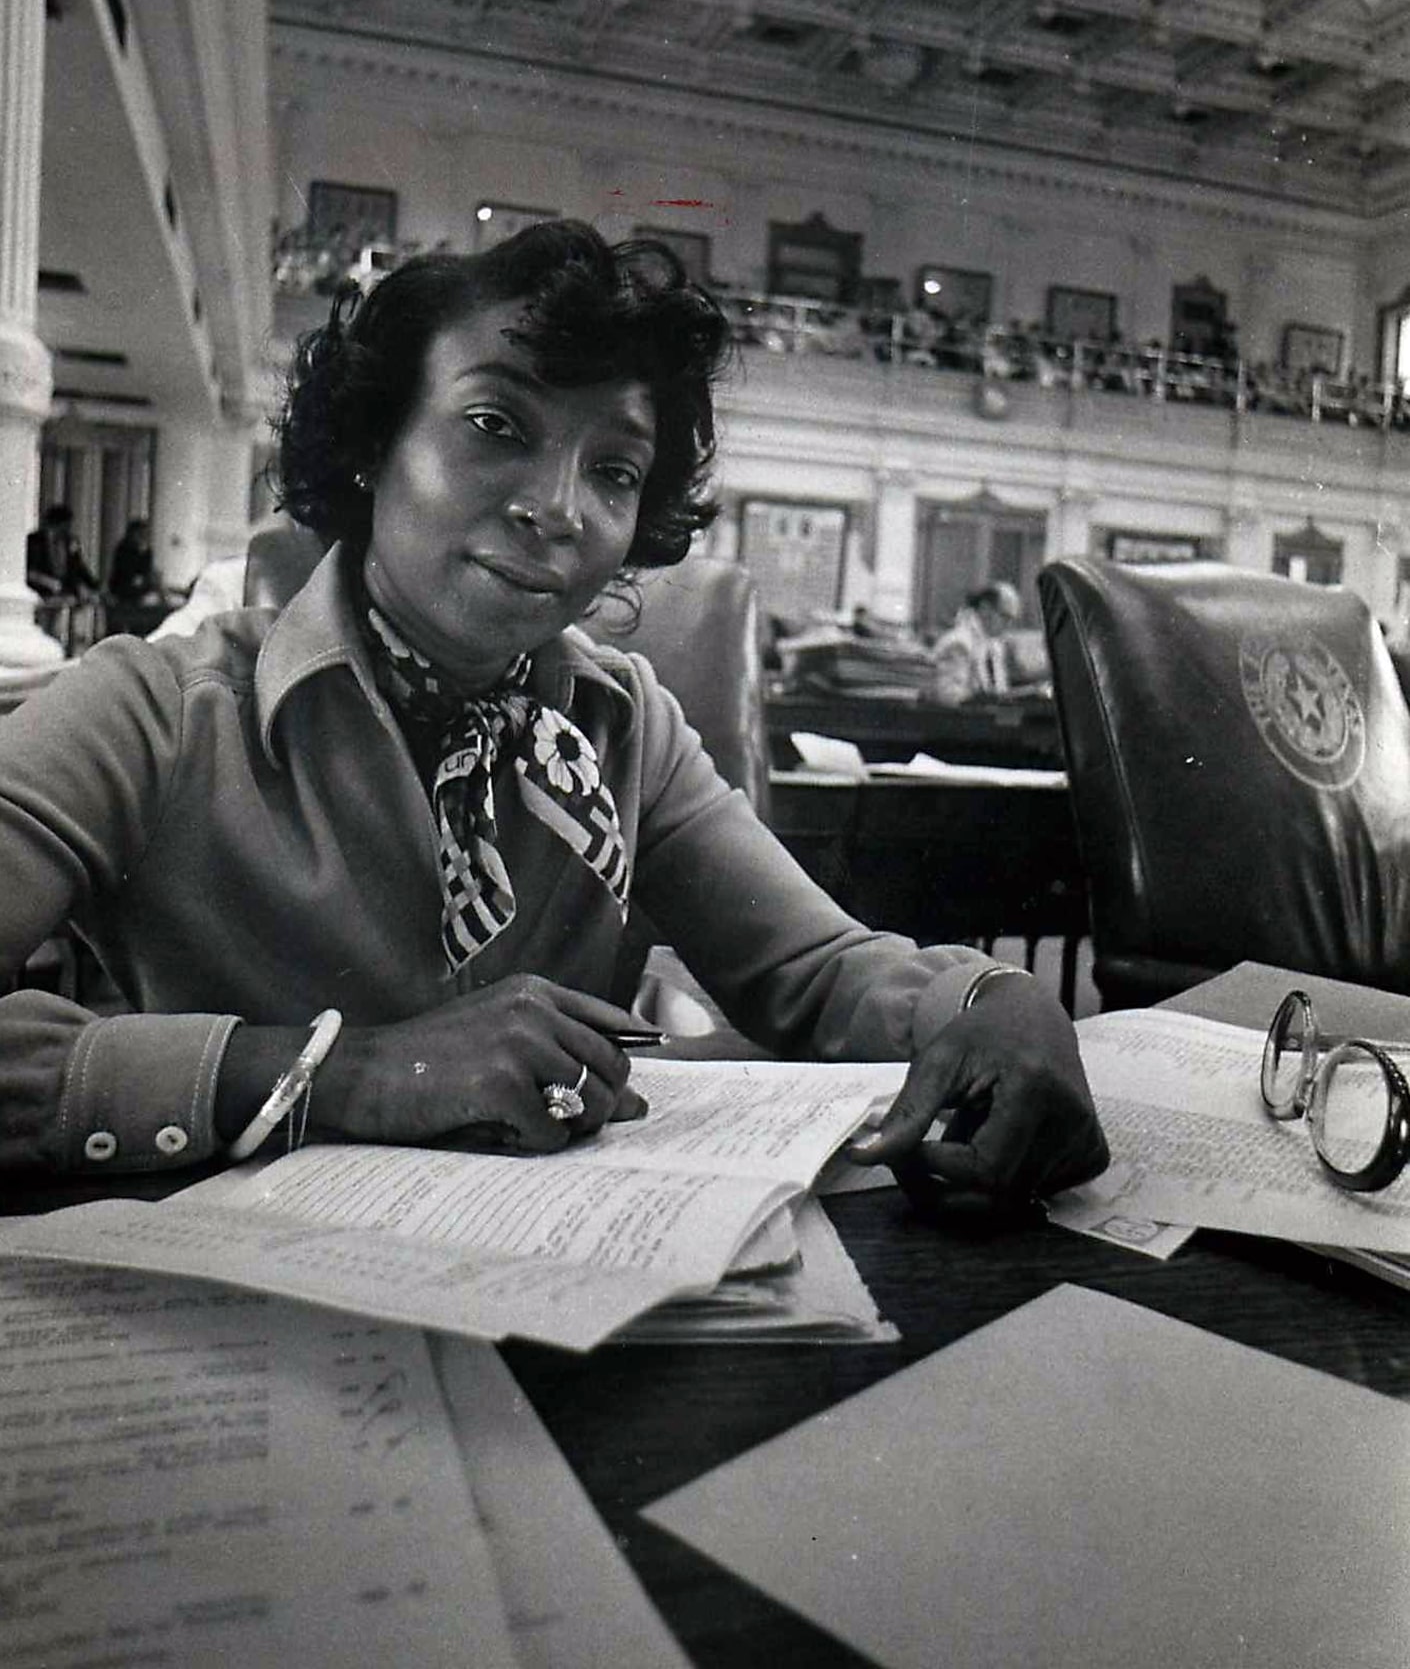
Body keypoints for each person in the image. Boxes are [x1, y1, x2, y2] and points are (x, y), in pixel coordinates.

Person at [0, 221, 1106, 1206]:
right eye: (494, 423)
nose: (560, 510)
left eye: (615, 473)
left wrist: (989, 999)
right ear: (374, 445)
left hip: (569, 1293)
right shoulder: (153, 708)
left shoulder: (625, 727)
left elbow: (819, 969)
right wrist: (331, 1074)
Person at [930, 581, 1022, 705]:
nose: (1009, 625)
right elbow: (949, 696)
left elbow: (1000, 692)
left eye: (1012, 619)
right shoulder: (958, 643)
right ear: (985, 609)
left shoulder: (995, 646)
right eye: (1005, 617)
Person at [25, 503, 100, 601]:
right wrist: (47, 582)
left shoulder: (70, 541)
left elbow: (79, 567)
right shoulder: (34, 541)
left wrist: (95, 586)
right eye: (64, 525)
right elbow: (30, 570)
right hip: (41, 592)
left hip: (64, 593)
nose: (67, 529)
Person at [107, 519, 164, 607]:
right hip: (122, 587)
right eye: (140, 534)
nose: (143, 537)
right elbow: (124, 569)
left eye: (145, 534)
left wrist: (144, 554)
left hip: (139, 588)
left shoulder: (146, 550)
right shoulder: (123, 548)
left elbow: (146, 570)